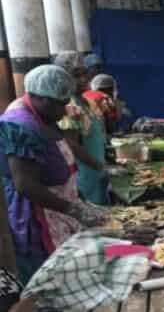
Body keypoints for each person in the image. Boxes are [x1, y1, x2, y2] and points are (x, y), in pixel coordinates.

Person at [0, 65, 105, 281]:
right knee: (47, 280)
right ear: (43, 98)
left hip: (59, 211)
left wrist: (81, 202)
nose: (64, 110)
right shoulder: (21, 125)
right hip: (37, 219)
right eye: (61, 103)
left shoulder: (44, 116)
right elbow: (25, 184)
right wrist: (74, 209)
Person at [55, 53, 109, 206]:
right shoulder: (68, 106)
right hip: (84, 176)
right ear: (64, 78)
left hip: (96, 171)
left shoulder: (86, 102)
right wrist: (98, 166)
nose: (83, 80)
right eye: (76, 76)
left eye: (84, 73)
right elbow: (71, 145)